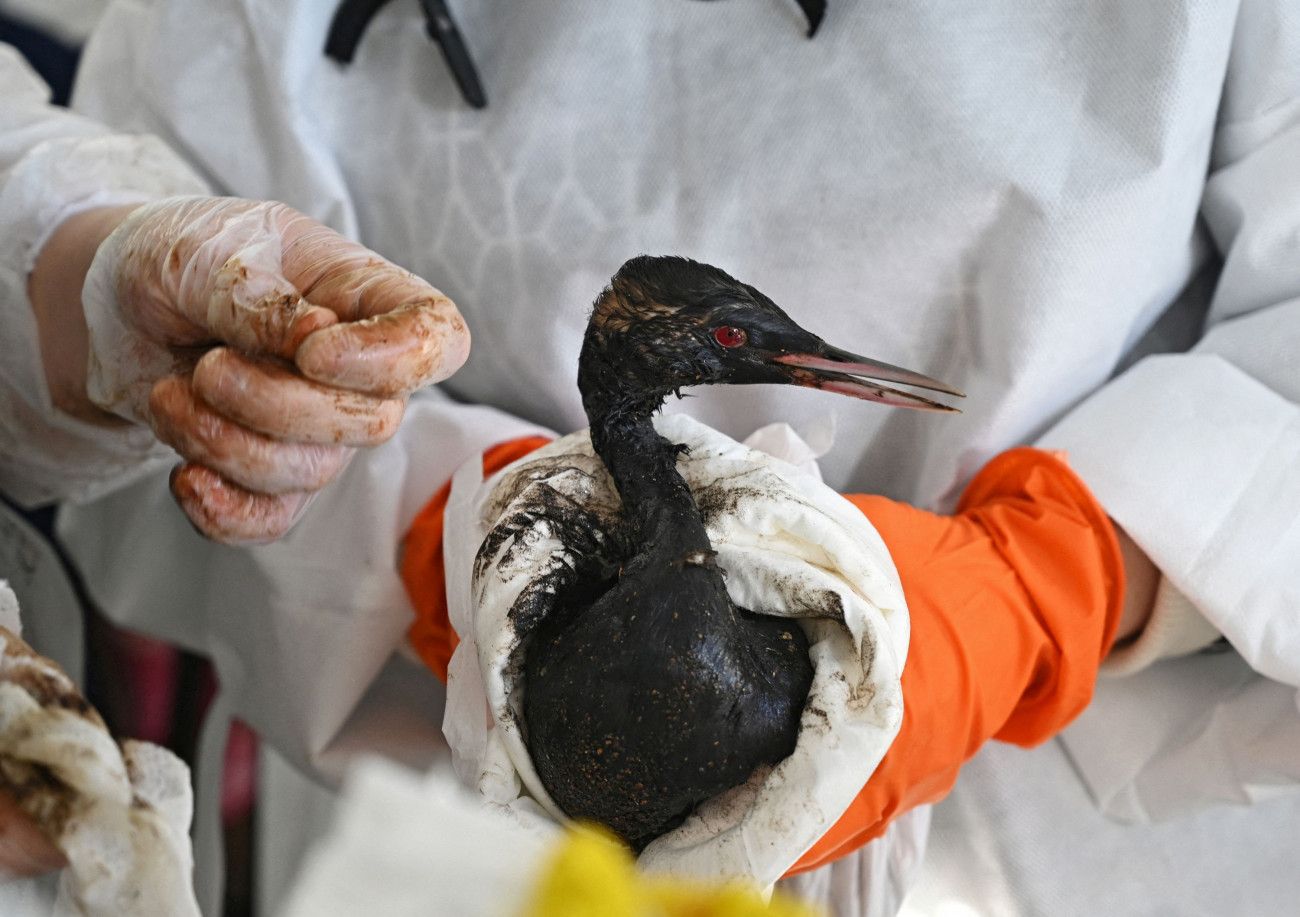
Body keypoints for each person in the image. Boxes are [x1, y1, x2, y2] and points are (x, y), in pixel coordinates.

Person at [2, 0, 1298, 913]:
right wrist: (434, 532)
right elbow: (140, 406)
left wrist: (1056, 582)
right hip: (469, 838)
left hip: (1090, 841)